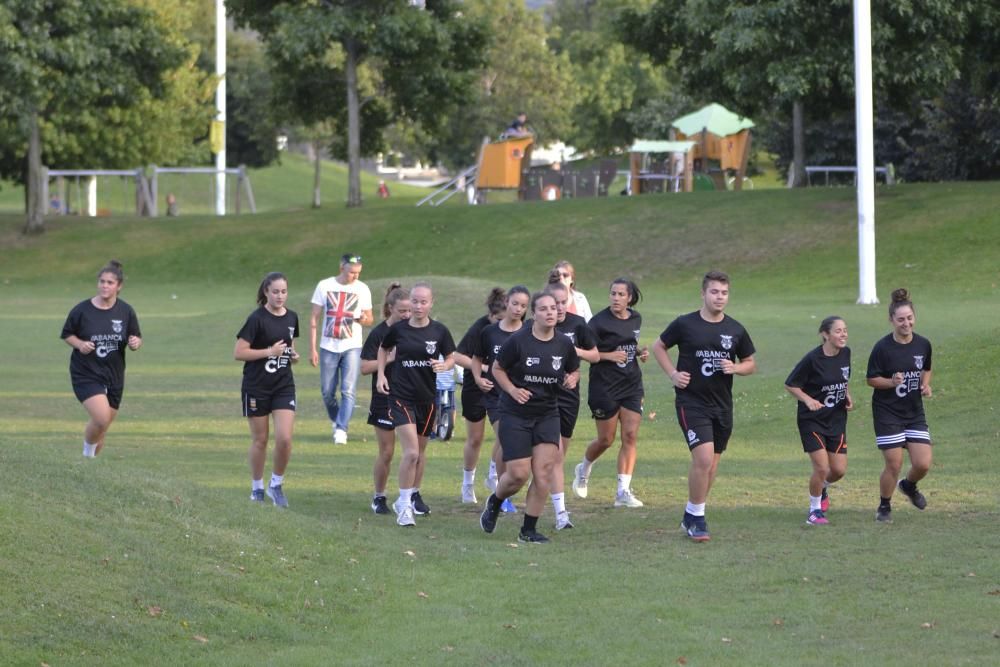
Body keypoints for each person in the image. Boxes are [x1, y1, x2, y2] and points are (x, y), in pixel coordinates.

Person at [652, 270, 756, 542]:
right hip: (691, 402)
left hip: (721, 404)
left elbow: (750, 363)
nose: (719, 297)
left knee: (711, 465)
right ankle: (698, 518)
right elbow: (658, 347)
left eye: (724, 293)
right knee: (703, 459)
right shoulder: (685, 324)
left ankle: (690, 513)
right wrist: (673, 375)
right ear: (703, 293)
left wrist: (736, 367)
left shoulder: (735, 329)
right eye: (714, 292)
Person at [479, 291, 580, 543]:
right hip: (515, 413)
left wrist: (572, 378)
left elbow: (575, 369)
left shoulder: (564, 343)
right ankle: (495, 501)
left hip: (548, 413)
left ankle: (528, 530)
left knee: (544, 471)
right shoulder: (518, 340)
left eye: (554, 308)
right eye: (544, 309)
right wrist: (512, 390)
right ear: (533, 314)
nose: (551, 312)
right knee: (518, 475)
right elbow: (497, 368)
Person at [377, 282, 455, 527]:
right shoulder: (398, 330)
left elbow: (451, 356)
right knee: (410, 453)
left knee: (419, 454)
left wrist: (445, 365)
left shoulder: (439, 332)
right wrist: (381, 374)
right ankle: (404, 505)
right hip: (401, 397)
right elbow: (383, 348)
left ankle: (407, 498)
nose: (419, 306)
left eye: (423, 301)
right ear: (409, 302)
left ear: (431, 303)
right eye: (415, 301)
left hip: (427, 400)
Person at [571, 279, 648, 508]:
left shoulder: (636, 318)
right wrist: (609, 356)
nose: (615, 298)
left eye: (620, 294)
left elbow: (628, 346)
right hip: (604, 386)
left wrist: (639, 352)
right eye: (613, 293)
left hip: (631, 384)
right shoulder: (598, 323)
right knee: (606, 439)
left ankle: (622, 492)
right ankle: (583, 468)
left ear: (629, 298)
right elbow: (585, 353)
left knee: (630, 435)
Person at [61, 260, 142, 458]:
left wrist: (135, 343)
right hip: (86, 373)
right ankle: (87, 455)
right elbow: (67, 334)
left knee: (103, 427)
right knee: (101, 419)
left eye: (110, 283)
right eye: (102, 282)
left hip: (114, 375)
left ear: (119, 286)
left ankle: (90, 467)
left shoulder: (126, 311)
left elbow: (135, 336)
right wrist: (80, 344)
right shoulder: (82, 310)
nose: (105, 286)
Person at [867, 288, 934, 523]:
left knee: (923, 464)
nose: (906, 323)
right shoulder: (882, 348)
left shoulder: (923, 344)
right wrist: (890, 382)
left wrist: (925, 385)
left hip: (914, 412)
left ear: (914, 317)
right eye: (901, 319)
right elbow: (871, 379)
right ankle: (884, 506)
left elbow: (926, 368)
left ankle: (908, 485)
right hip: (887, 413)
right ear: (891, 320)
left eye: (909, 318)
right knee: (893, 464)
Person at [234, 272, 300, 507]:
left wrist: (292, 355)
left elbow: (289, 346)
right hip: (257, 386)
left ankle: (276, 485)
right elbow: (239, 352)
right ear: (266, 292)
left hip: (283, 386)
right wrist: (268, 352)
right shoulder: (257, 319)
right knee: (260, 440)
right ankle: (257, 488)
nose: (280, 296)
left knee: (285, 439)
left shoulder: (292, 317)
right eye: (275, 292)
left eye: (283, 291)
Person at [784, 316, 853, 525]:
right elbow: (791, 384)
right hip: (812, 421)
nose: (843, 334)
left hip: (837, 419)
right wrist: (808, 400)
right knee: (822, 468)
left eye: (845, 330)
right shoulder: (812, 359)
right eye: (838, 331)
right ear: (825, 335)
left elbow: (843, 379)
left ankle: (822, 488)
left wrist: (847, 394)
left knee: (838, 471)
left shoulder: (846, 353)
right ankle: (814, 511)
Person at [544, 280, 599, 530]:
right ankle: (561, 513)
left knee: (557, 457)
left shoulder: (577, 325)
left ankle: (553, 500)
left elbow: (595, 355)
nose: (559, 308)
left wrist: (573, 354)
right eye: (554, 304)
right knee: (549, 458)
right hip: (541, 398)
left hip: (568, 397)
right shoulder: (535, 328)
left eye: (563, 302)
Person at [471, 286, 531, 513]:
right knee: (505, 440)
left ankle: (499, 484)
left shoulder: (529, 331)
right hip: (496, 397)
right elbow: (476, 358)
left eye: (524, 306)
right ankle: (501, 492)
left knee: (509, 445)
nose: (518, 309)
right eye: (515, 304)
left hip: (521, 397)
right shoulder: (489, 332)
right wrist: (478, 378)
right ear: (507, 302)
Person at [309, 253, 374, 445]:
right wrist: (312, 348)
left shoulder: (363, 289)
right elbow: (314, 318)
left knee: (348, 390)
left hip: (352, 346)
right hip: (328, 346)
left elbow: (370, 319)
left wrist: (364, 320)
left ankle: (341, 429)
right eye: (352, 272)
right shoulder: (324, 286)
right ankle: (337, 420)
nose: (355, 276)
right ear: (341, 268)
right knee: (327, 391)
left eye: (358, 272)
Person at [360, 283, 411, 515]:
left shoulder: (412, 330)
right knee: (387, 452)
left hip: (410, 397)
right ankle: (379, 497)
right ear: (390, 309)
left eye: (409, 311)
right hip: (384, 398)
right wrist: (389, 359)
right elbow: (364, 367)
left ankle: (411, 497)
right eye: (402, 311)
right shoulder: (379, 334)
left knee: (414, 451)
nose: (407, 315)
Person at [454, 287, 507, 504]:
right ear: (491, 316)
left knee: (504, 435)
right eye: (499, 320)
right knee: (476, 439)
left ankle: (493, 476)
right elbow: (458, 356)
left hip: (500, 388)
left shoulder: (516, 327)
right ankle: (467, 483)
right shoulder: (480, 328)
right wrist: (485, 369)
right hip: (475, 386)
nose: (502, 324)